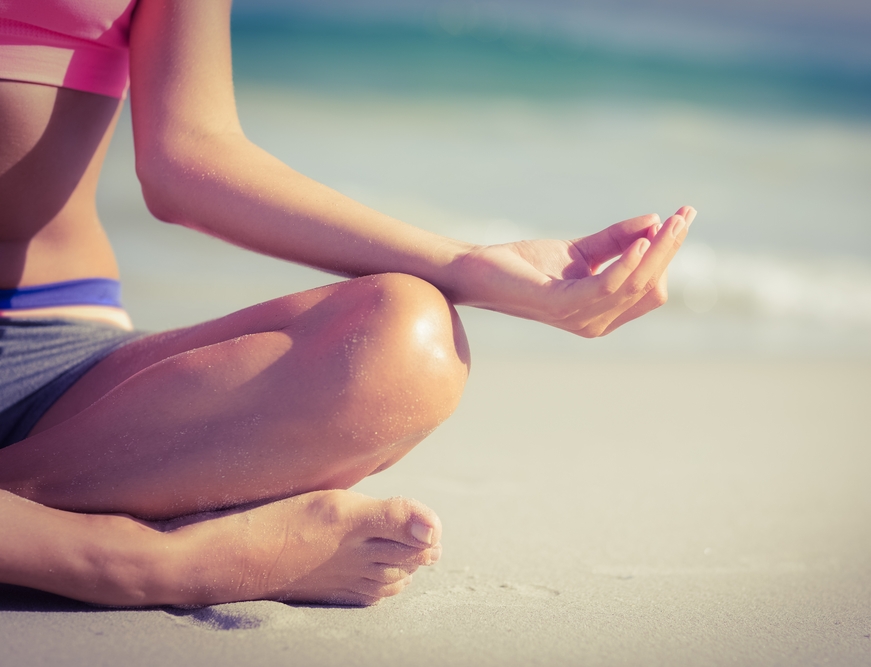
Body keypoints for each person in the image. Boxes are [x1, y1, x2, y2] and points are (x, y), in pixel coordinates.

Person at [0, 0, 694, 607]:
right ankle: (131, 559)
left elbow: (188, 156)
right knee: (137, 559)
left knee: (404, 343)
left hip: (62, 347)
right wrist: (149, 567)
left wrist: (470, 268)